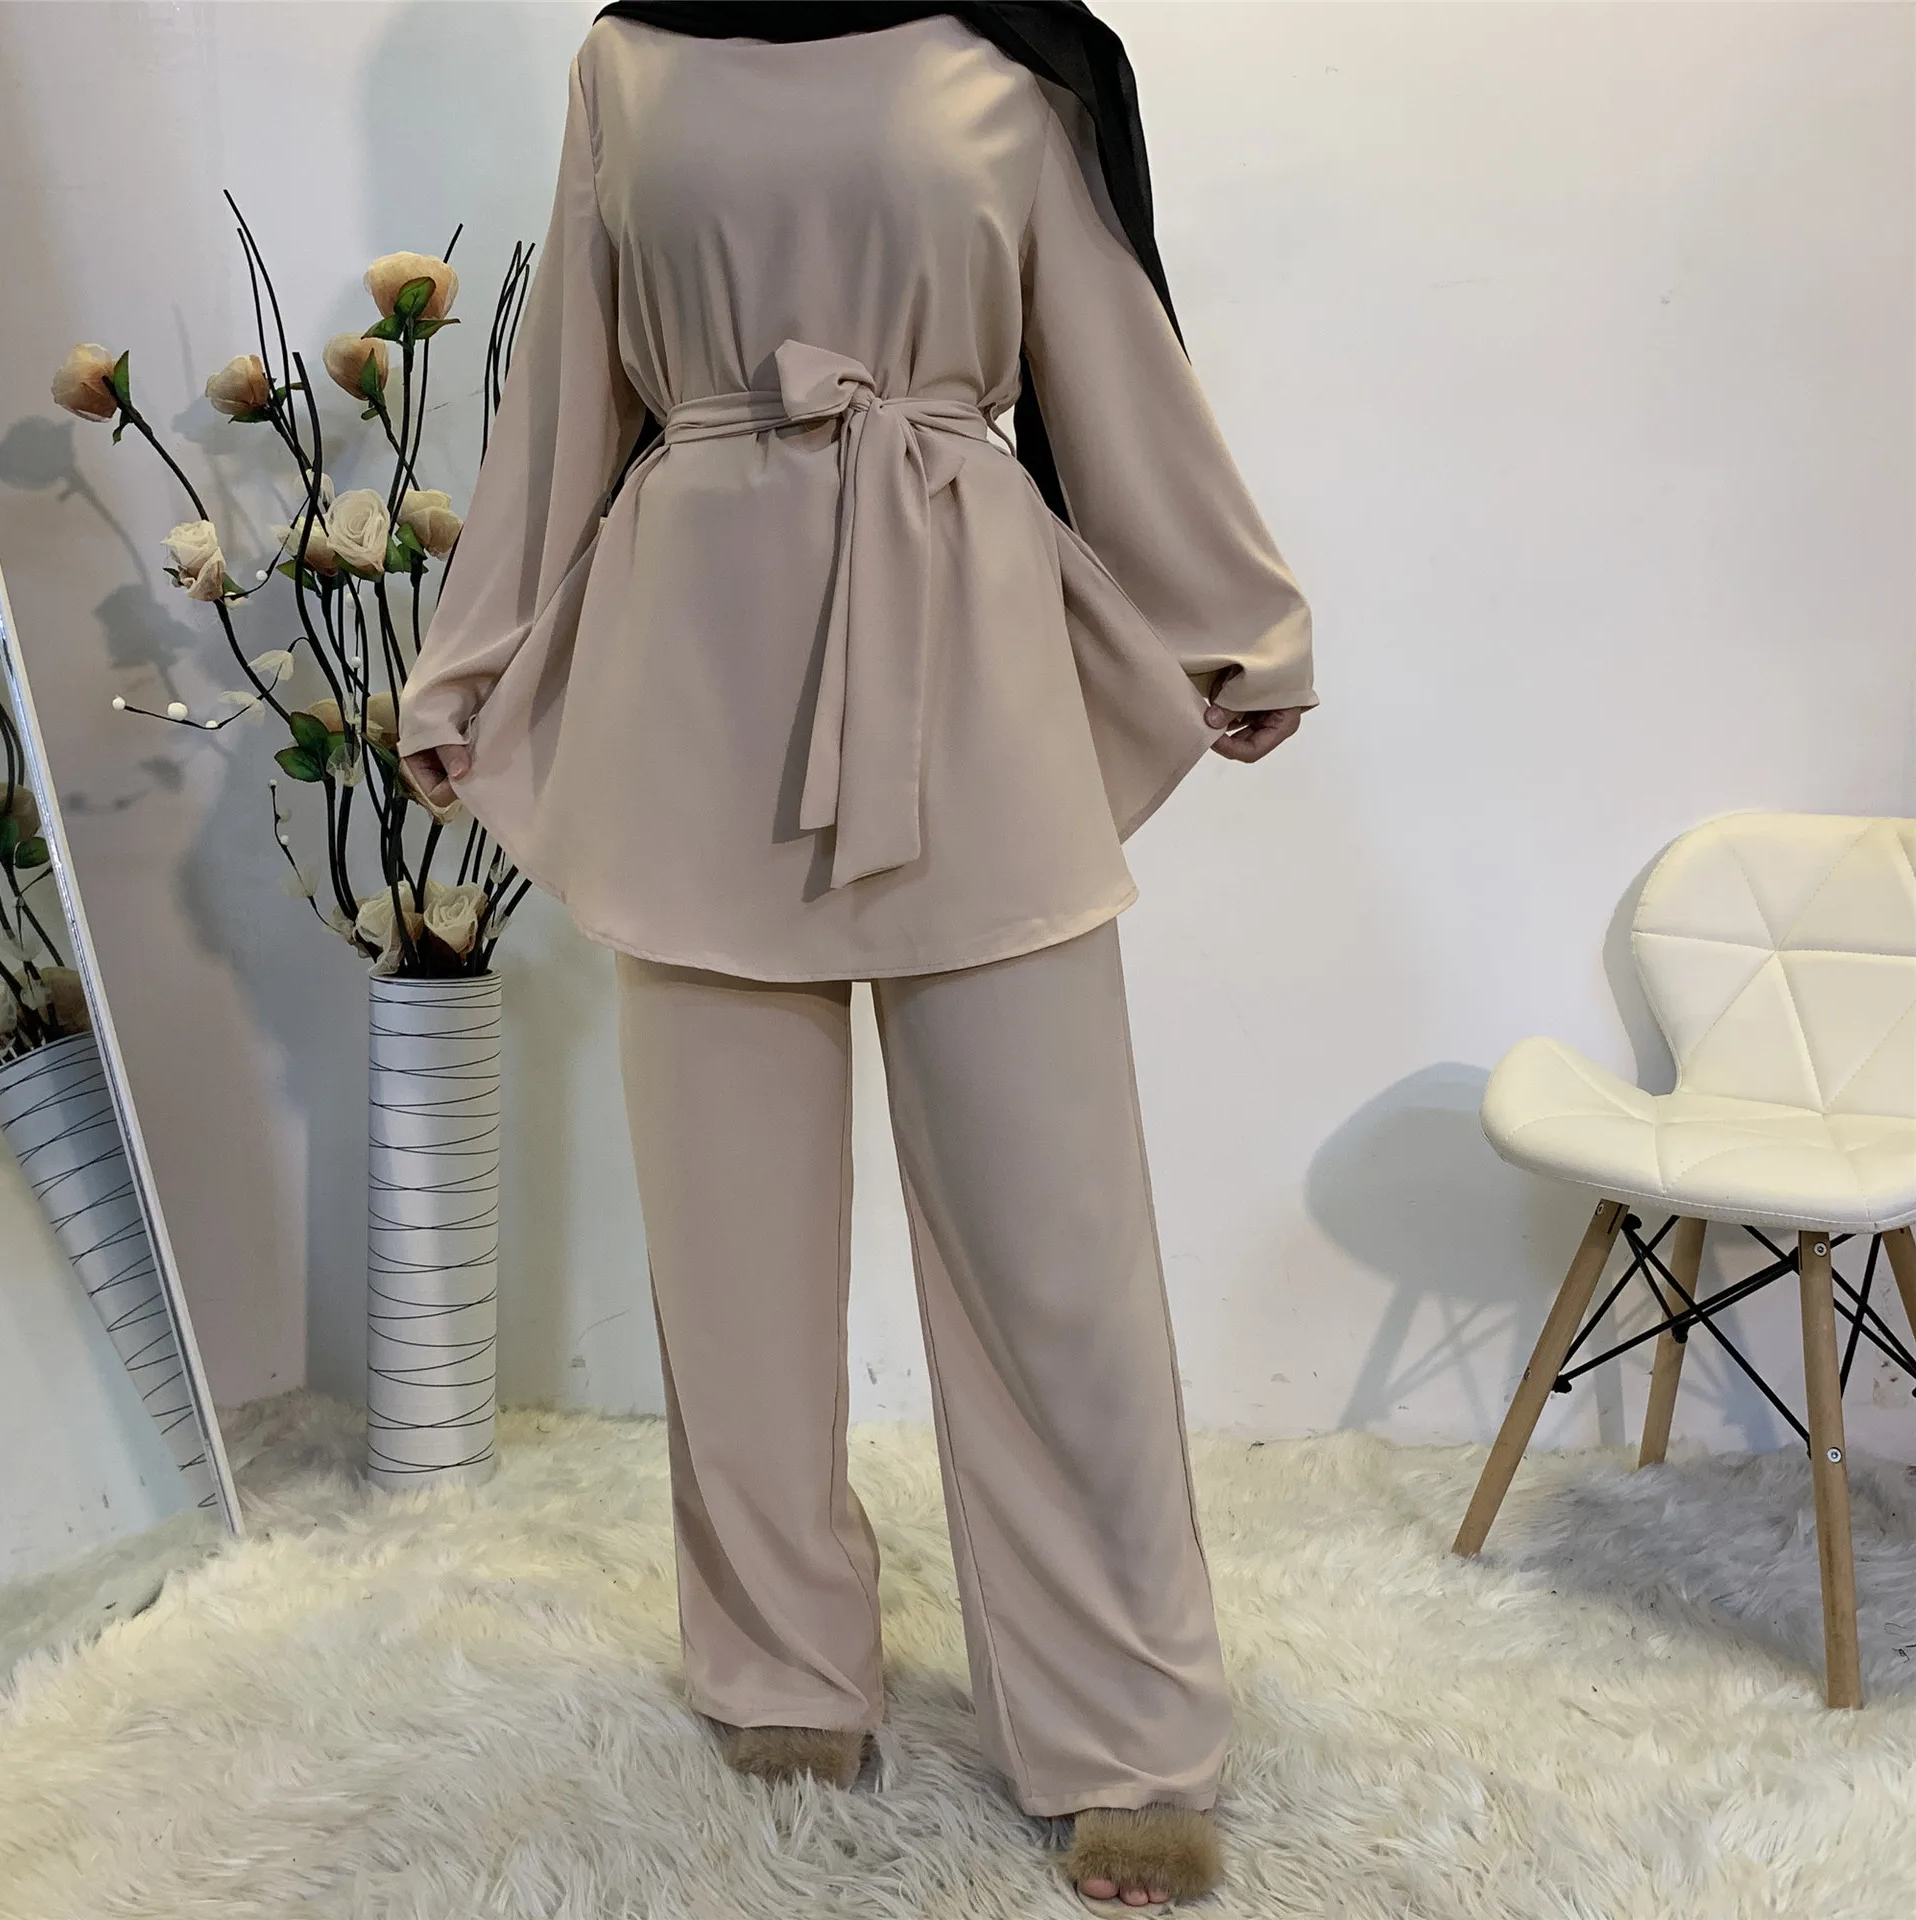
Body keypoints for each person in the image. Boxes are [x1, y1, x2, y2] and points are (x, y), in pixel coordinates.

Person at [398, 4, 1314, 1904]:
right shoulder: (627, 61)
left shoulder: (1017, 54)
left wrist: (1228, 615)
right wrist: (473, 656)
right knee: (729, 1243)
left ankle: (1126, 1719)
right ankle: (781, 1659)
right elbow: (567, 382)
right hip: (698, 673)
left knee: (1055, 1244)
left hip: (964, 643)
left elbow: (1106, 344)